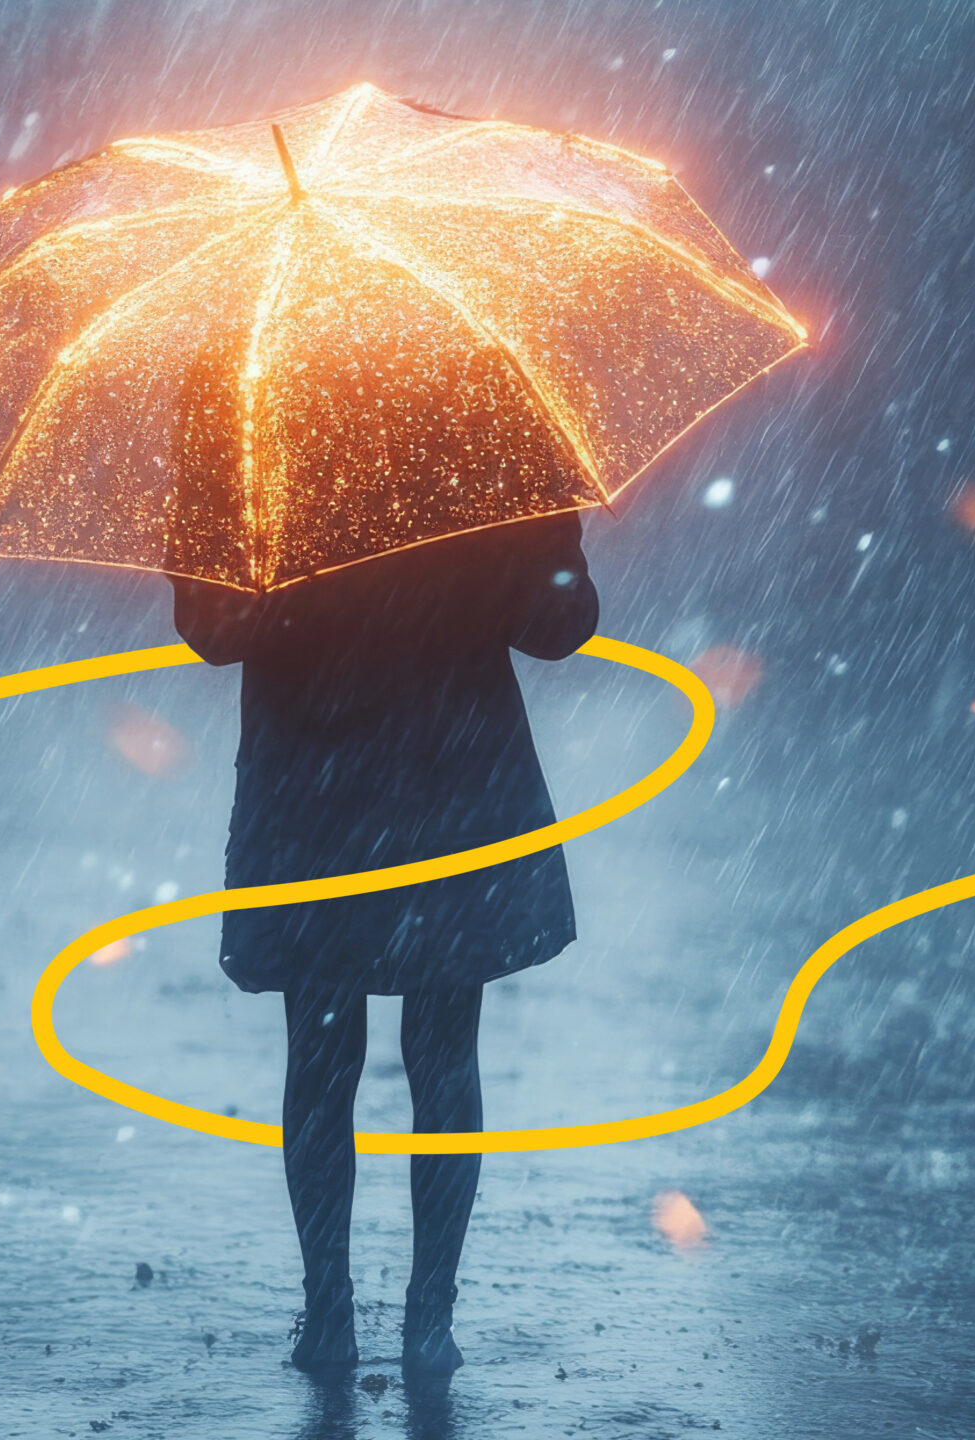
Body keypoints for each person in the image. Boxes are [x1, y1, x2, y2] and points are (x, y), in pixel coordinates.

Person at [167, 505, 599, 1379]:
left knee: (327, 1056)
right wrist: (485, 553)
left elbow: (212, 629)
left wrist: (300, 579)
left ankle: (334, 1317)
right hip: (441, 774)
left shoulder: (246, 400)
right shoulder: (484, 406)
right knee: (439, 1053)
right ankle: (422, 1322)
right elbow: (560, 623)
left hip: (321, 784)